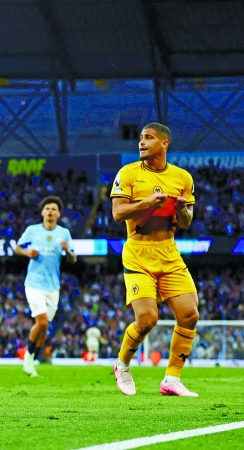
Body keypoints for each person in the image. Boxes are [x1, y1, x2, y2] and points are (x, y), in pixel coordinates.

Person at [109, 123, 199, 397]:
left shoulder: (182, 177)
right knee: (147, 319)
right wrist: (148, 203)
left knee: (189, 314)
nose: (141, 142)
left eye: (148, 138)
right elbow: (117, 213)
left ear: (164, 144)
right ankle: (122, 364)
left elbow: (186, 221)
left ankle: (172, 378)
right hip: (138, 253)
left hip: (169, 252)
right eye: (140, 138)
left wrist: (182, 210)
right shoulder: (128, 173)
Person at [14, 196, 77, 377]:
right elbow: (17, 248)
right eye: (47, 208)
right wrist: (27, 252)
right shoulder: (32, 230)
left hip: (53, 287)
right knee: (41, 322)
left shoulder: (64, 233)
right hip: (34, 283)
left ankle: (32, 360)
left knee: (44, 327)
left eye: (53, 209)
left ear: (58, 214)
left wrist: (67, 250)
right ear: (42, 212)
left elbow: (73, 259)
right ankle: (28, 358)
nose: (50, 211)